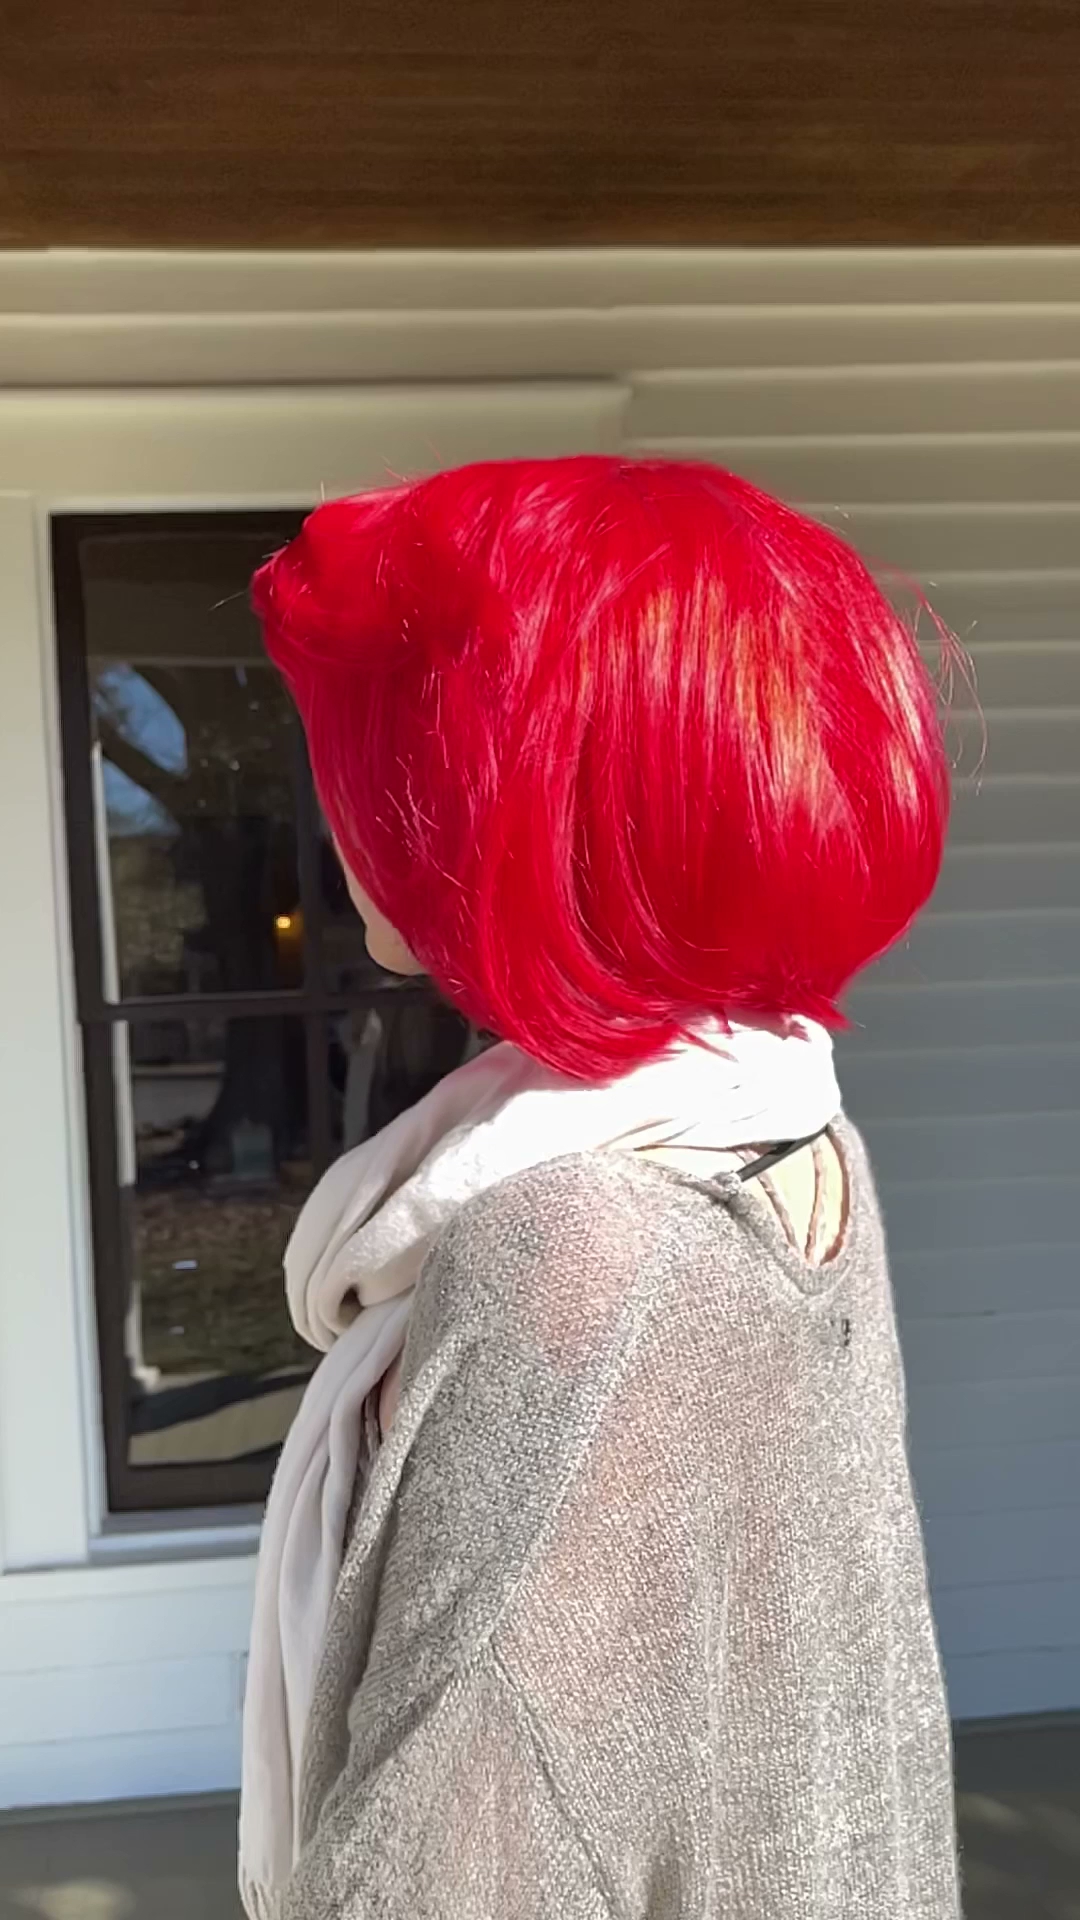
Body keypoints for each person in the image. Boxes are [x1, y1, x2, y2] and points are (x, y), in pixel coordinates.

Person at [239, 456, 961, 1919]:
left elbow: (446, 1872)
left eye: (372, 758)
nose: (336, 813)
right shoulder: (784, 1124)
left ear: (486, 804)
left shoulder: (575, 1242)